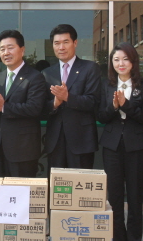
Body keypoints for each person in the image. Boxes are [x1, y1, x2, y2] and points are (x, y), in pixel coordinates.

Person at [97, 42, 143, 241]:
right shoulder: (105, 85)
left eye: (125, 59)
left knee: (135, 198)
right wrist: (113, 106)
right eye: (116, 60)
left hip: (136, 147)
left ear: (133, 62)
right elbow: (101, 116)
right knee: (115, 199)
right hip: (112, 146)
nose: (120, 64)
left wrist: (126, 105)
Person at [0, 30, 46, 177]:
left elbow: (35, 108)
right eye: (2, 49)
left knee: (21, 194)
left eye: (10, 48)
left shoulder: (35, 77)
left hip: (24, 149)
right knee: (2, 194)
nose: (6, 52)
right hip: (0, 149)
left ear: (22, 50)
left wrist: (3, 107)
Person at [42, 24, 100, 172]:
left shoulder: (90, 68)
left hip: (81, 139)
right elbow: (41, 108)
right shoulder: (47, 73)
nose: (61, 47)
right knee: (57, 189)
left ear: (75, 43)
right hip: (55, 140)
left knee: (80, 187)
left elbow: (93, 101)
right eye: (57, 43)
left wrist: (68, 97)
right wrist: (55, 103)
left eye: (65, 42)